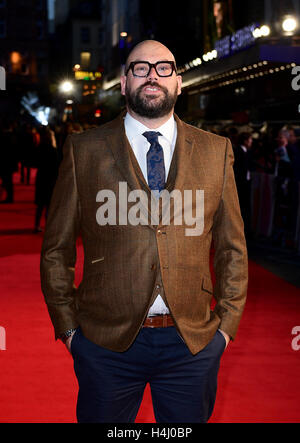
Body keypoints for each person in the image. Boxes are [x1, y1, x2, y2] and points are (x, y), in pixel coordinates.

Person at [40, 40, 248, 423]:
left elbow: (232, 247)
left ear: (179, 82)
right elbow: (56, 249)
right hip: (106, 344)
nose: (153, 74)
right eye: (140, 67)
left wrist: (226, 328)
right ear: (123, 82)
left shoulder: (215, 150)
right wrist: (69, 330)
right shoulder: (83, 150)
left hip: (192, 343)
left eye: (163, 67)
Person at [233, 132, 253, 241]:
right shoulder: (238, 152)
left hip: (246, 183)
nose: (251, 142)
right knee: (240, 207)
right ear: (245, 141)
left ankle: (244, 229)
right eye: (250, 140)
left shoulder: (247, 152)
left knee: (245, 207)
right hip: (240, 184)